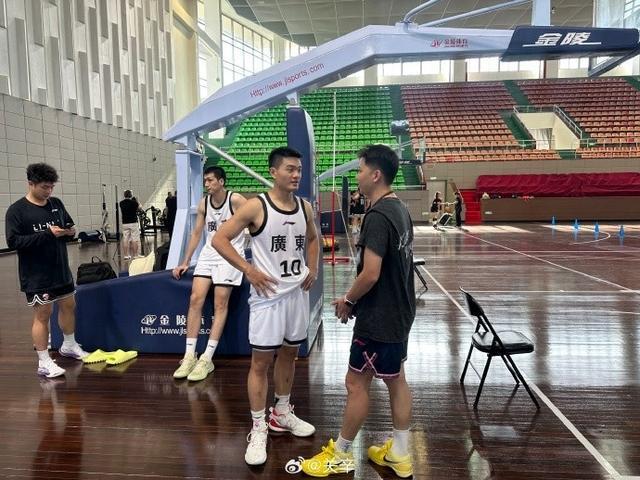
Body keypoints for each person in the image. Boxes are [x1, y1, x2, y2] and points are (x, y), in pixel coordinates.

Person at [301, 145, 416, 478]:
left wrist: (349, 300)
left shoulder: (378, 216)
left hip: (380, 319)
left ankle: (340, 453)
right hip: (400, 313)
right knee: (396, 379)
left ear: (376, 175)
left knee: (355, 382)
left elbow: (371, 273)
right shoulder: (400, 208)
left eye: (361, 170)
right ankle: (400, 453)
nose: (358, 176)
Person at [212, 146, 320, 466]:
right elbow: (219, 239)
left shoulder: (305, 207)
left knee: (290, 354)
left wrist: (312, 268)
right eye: (290, 169)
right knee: (260, 363)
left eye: (299, 169)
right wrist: (248, 269)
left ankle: (281, 412)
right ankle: (258, 426)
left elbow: (313, 239)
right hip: (267, 296)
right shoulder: (256, 206)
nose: (296, 174)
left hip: (296, 293)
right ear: (274, 172)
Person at [5, 163, 89, 378]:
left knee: (69, 305)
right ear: (31, 184)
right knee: (43, 314)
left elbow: (69, 226)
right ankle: (43, 361)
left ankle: (69, 345)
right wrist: (47, 234)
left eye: (51, 187)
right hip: (36, 274)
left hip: (60, 269)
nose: (49, 191)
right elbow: (14, 242)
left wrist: (70, 232)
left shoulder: (56, 204)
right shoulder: (17, 211)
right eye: (44, 187)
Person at [172, 166, 246, 382]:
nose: (206, 184)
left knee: (220, 303)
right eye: (205, 180)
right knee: (195, 299)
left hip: (230, 255)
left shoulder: (236, 200)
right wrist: (185, 261)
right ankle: (189, 355)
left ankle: (207, 358)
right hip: (209, 254)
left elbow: (255, 221)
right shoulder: (204, 203)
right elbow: (197, 232)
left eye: (210, 180)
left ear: (221, 182)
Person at [119, 189, 142, 259]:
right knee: (135, 239)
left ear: (124, 195)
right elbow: (140, 208)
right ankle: (135, 255)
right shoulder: (134, 203)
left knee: (125, 239)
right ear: (131, 195)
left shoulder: (121, 203)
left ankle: (126, 255)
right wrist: (137, 200)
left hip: (125, 223)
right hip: (133, 223)